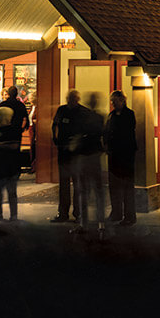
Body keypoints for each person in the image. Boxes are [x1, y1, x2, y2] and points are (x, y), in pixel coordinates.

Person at [50, 90, 87, 223]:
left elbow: (86, 132)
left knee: (77, 184)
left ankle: (77, 213)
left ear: (77, 99)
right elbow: (54, 125)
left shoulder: (83, 112)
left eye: (72, 98)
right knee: (64, 183)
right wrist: (55, 139)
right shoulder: (62, 110)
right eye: (68, 98)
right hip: (64, 152)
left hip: (76, 154)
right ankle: (64, 213)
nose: (70, 101)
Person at [71, 93, 106, 234]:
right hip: (95, 156)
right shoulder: (100, 117)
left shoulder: (83, 117)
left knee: (84, 191)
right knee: (98, 191)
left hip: (85, 156)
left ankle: (84, 223)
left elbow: (80, 135)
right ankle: (100, 222)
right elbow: (100, 135)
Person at [105, 90, 137, 227]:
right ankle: (116, 212)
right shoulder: (111, 115)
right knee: (114, 185)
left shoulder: (129, 115)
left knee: (126, 187)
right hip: (114, 155)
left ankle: (129, 215)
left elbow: (126, 134)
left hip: (125, 155)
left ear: (122, 100)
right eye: (112, 101)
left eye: (115, 101)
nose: (112, 103)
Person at [0, 106, 21, 221]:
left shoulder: (13, 130)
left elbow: (14, 146)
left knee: (11, 191)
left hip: (10, 165)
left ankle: (13, 215)